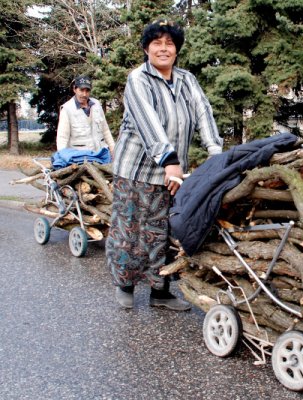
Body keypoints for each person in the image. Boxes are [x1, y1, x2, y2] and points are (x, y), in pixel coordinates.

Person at [106, 19, 223, 310]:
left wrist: (215, 152)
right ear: (147, 48)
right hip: (136, 170)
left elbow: (203, 112)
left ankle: (160, 292)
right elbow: (148, 123)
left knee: (163, 231)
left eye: (169, 43)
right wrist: (170, 162)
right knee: (130, 230)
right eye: (156, 43)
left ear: (176, 49)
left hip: (172, 173)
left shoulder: (186, 79)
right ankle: (125, 284)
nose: (163, 48)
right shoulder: (138, 79)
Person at [56, 76, 115, 156]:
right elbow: (62, 138)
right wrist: (63, 157)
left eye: (87, 91)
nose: (84, 94)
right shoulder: (67, 109)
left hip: (101, 154)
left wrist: (113, 150)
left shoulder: (97, 105)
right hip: (80, 158)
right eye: (81, 90)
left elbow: (106, 130)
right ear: (74, 89)